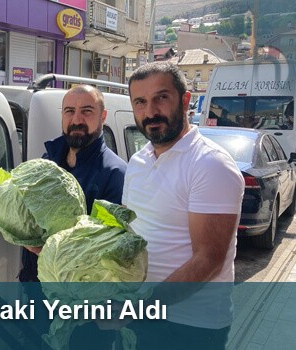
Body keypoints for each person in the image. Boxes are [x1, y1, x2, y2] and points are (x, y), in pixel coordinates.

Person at [122, 61, 244, 349]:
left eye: (161, 98)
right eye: (140, 102)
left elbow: (208, 259)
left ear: (186, 100)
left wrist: (143, 306)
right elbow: (127, 234)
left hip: (192, 327)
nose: (150, 112)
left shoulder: (210, 164)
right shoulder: (138, 161)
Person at [18, 85, 127, 349]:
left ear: (102, 116)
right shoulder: (48, 162)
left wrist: (49, 253)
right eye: (70, 111)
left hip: (85, 306)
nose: (77, 119)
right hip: (36, 292)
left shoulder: (115, 174)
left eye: (86, 111)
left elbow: (107, 249)